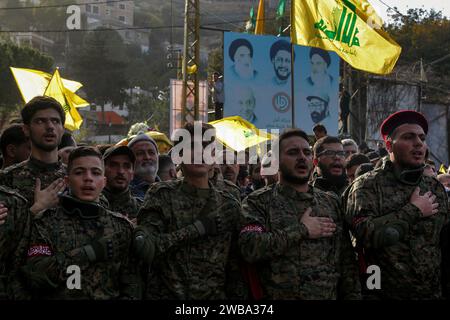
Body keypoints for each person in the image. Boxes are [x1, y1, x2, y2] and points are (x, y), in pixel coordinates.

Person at [239, 129, 360, 299]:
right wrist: (302, 230)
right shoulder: (258, 202)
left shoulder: (330, 202)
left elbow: (346, 262)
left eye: (306, 152)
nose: (302, 157)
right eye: (293, 152)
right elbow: (249, 248)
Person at [134, 122, 245, 299]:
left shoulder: (228, 203)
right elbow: (148, 249)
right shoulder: (160, 195)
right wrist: (198, 229)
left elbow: (236, 266)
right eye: (192, 146)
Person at [345, 110, 449, 299]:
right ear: (389, 145)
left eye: (422, 138)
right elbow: (365, 237)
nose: (418, 143)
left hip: (430, 293)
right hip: (383, 294)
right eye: (408, 137)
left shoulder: (434, 187)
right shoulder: (367, 185)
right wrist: (413, 210)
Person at [21, 147, 141, 299]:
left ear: (103, 182)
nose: (88, 178)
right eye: (79, 172)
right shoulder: (45, 223)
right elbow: (35, 275)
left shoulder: (121, 227)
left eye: (96, 173)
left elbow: (133, 285)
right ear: (67, 180)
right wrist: (88, 253)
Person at [0, 96, 66, 205]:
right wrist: (35, 210)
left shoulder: (76, 178)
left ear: (62, 129)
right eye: (40, 121)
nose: (50, 126)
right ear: (26, 130)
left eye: (55, 121)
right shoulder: (6, 179)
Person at [102, 145, 142, 222]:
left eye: (127, 166)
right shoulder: (92, 207)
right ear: (102, 170)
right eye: (114, 165)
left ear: (132, 174)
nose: (121, 171)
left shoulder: (142, 210)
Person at [128, 133, 160, 201]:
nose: (147, 157)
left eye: (151, 152)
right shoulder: (125, 192)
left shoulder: (168, 189)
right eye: (140, 153)